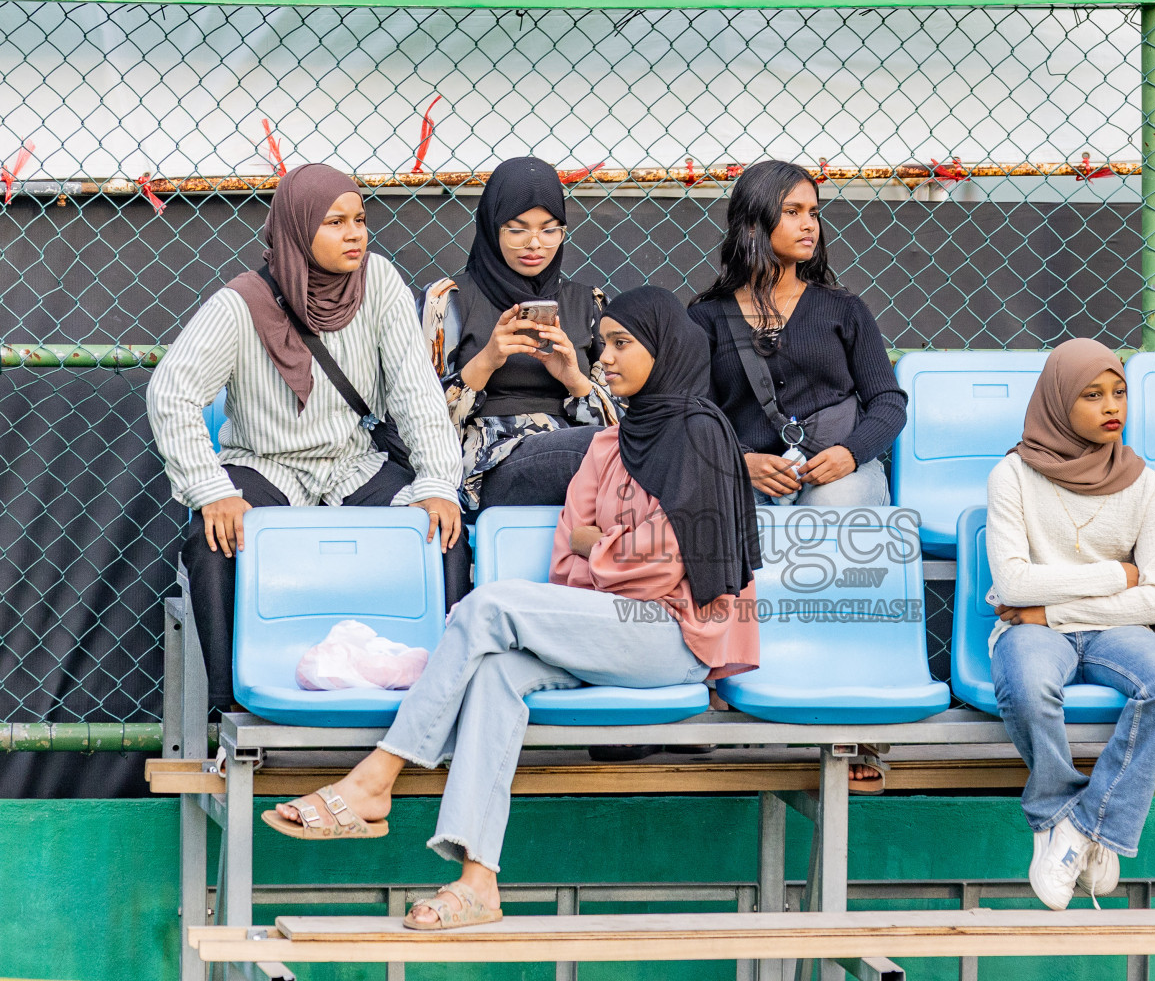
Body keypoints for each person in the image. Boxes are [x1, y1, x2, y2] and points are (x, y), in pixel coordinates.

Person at [260, 286, 761, 931]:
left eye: (620, 344)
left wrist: (604, 548)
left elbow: (668, 564)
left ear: (665, 352)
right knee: (497, 672)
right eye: (601, 343)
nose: (604, 358)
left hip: (672, 636)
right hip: (600, 627)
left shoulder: (700, 435)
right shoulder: (610, 444)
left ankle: (378, 777)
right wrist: (616, 549)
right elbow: (566, 555)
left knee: (490, 606)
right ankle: (477, 883)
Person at [148, 163, 468, 714]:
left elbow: (416, 392)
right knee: (214, 539)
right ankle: (233, 712)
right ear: (296, 230)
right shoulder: (241, 304)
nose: (354, 234)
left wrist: (438, 482)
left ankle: (447, 698)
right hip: (267, 467)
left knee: (442, 531)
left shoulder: (380, 283)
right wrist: (211, 489)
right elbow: (170, 393)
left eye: (360, 219)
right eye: (334, 222)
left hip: (353, 464)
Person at [986, 339, 1155, 911]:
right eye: (1093, 394)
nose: (1113, 407)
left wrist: (1052, 609)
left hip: (1101, 629)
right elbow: (1012, 586)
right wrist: (1116, 575)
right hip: (1029, 632)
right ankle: (1053, 812)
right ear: (1057, 402)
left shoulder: (1145, 485)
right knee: (1028, 686)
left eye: (1120, 393)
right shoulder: (1013, 476)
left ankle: (1085, 827)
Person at [689, 160, 906, 507]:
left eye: (813, 213)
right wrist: (740, 463)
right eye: (793, 212)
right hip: (748, 474)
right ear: (751, 225)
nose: (809, 225)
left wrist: (850, 453)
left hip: (838, 474)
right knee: (720, 507)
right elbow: (695, 414)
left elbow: (889, 402)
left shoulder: (843, 309)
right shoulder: (706, 318)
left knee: (829, 505)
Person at [420, 156, 619, 514]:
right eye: (516, 229)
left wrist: (574, 379)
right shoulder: (449, 300)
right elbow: (419, 418)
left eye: (549, 229)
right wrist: (487, 361)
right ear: (491, 228)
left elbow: (621, 420)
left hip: (577, 447)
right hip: (488, 460)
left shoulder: (587, 302)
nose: (535, 243)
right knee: (605, 450)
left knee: (630, 445)